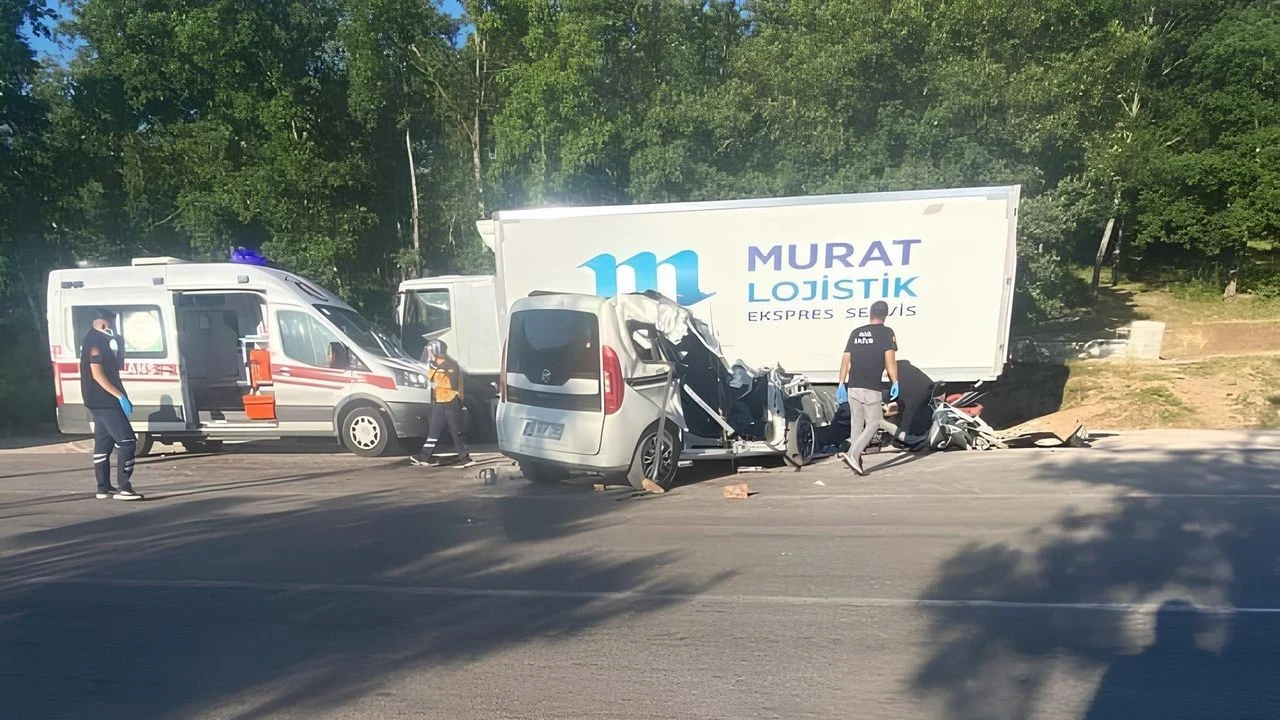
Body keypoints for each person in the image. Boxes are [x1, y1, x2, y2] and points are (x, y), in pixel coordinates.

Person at [80, 309, 144, 500]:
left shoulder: (102, 341)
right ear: (103, 324)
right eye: (112, 322)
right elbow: (97, 374)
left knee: (103, 444)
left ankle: (104, 487)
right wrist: (119, 396)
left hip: (97, 401)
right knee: (127, 441)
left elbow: (117, 367)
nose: (114, 326)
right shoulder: (94, 343)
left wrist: (121, 347)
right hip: (105, 400)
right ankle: (125, 487)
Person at [836, 300, 899, 476]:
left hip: (853, 387)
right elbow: (890, 361)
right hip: (871, 387)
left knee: (856, 425)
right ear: (885, 315)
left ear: (870, 313)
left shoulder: (856, 332)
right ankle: (853, 454)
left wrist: (841, 382)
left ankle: (855, 462)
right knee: (875, 422)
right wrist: (895, 381)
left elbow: (846, 359)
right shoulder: (887, 333)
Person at [410, 339, 475, 469]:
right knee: (434, 431)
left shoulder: (450, 365)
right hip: (439, 401)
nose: (429, 354)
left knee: (456, 431)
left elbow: (452, 384)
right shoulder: (434, 365)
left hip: (451, 401)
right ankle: (425, 456)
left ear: (436, 351)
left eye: (430, 351)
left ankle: (465, 458)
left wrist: (438, 372)